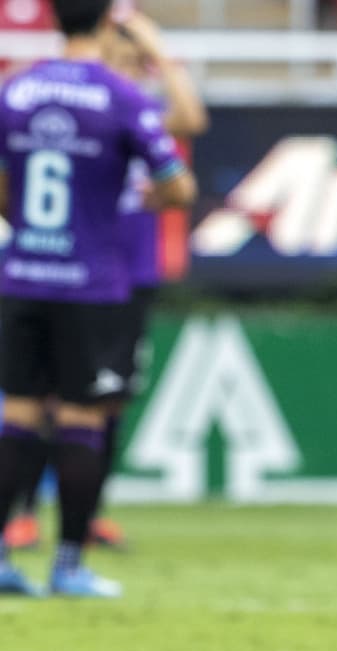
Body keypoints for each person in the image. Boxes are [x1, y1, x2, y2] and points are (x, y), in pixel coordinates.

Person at [0, 0, 196, 597]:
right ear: (107, 21)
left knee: (19, 415)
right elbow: (178, 184)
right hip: (92, 281)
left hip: (23, 273)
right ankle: (68, 566)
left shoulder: (16, 89)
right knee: (84, 419)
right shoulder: (121, 96)